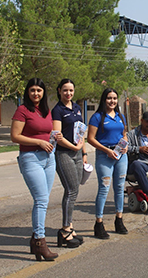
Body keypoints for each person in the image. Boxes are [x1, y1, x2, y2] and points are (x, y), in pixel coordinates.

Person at [11, 78, 61, 261]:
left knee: (43, 200)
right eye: (32, 90)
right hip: (30, 158)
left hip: (49, 158)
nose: (36, 94)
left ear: (43, 92)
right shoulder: (22, 110)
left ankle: (34, 239)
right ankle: (40, 241)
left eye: (39, 90)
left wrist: (54, 136)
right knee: (41, 200)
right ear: (27, 92)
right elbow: (15, 136)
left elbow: (47, 132)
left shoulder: (46, 111)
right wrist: (39, 142)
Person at [87, 88, 128, 240]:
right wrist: (107, 151)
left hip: (121, 156)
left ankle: (119, 219)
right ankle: (99, 223)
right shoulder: (97, 117)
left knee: (119, 187)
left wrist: (126, 145)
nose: (112, 101)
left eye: (115, 98)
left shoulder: (121, 116)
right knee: (104, 188)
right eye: (109, 98)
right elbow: (91, 139)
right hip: (105, 155)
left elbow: (124, 134)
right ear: (104, 100)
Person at [51, 79, 87, 248]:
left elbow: (81, 130)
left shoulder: (77, 108)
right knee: (71, 190)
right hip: (64, 153)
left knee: (75, 189)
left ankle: (70, 228)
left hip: (78, 153)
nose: (68, 93)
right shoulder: (57, 110)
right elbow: (57, 135)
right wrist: (73, 146)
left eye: (71, 90)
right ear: (59, 91)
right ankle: (65, 230)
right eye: (65, 90)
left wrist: (83, 151)